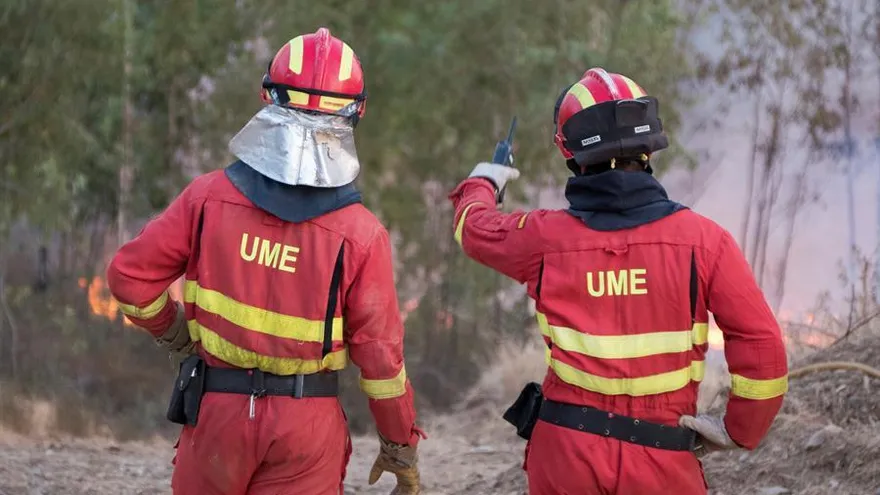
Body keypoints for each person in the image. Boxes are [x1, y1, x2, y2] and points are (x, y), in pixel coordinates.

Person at [107, 27, 424, 495]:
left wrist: (176, 337)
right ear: (358, 112)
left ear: (266, 95)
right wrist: (399, 447)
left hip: (216, 415)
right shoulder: (361, 234)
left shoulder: (206, 198)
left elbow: (129, 278)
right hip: (306, 429)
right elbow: (380, 360)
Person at [448, 67, 788, 494]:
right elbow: (763, 346)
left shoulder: (542, 238)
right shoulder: (705, 241)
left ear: (570, 151)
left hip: (566, 455)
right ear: (649, 146)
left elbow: (473, 229)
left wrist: (484, 180)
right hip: (663, 459)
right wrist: (740, 429)